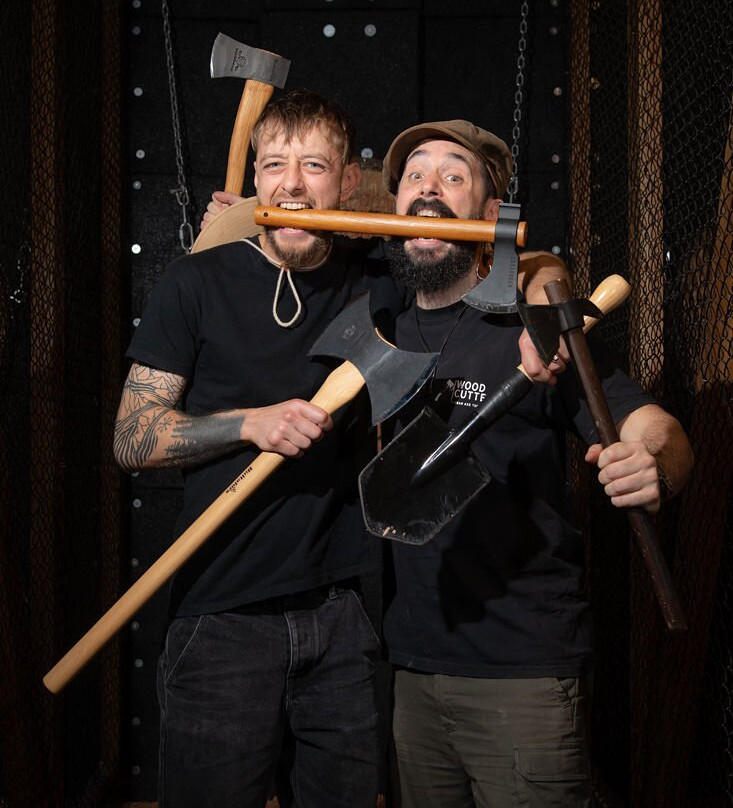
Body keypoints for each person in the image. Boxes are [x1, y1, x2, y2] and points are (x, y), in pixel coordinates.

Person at [115, 90, 565, 807]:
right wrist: (246, 425)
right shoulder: (193, 282)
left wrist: (545, 286)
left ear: (348, 184)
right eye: (273, 166)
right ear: (255, 178)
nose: (292, 185)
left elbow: (484, 238)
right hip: (220, 616)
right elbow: (132, 438)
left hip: (345, 620)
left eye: (314, 166)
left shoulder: (378, 279)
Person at [374, 119, 695, 808]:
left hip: (520, 674)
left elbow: (655, 428)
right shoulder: (378, 322)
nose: (428, 187)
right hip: (409, 668)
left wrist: (651, 462)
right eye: (413, 176)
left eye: (453, 175)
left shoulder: (533, 332)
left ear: (491, 216)